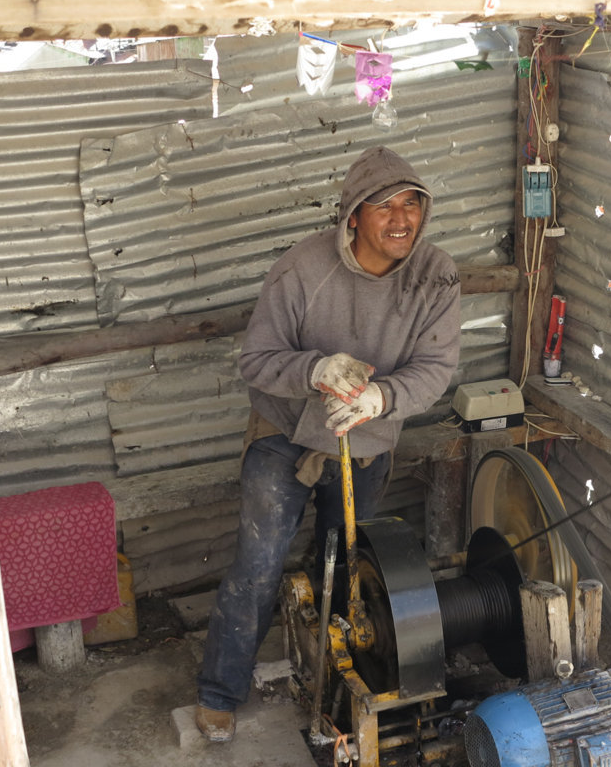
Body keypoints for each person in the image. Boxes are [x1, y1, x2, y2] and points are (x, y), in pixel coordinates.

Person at [195, 145, 461, 741]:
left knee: (347, 567)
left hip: (367, 439)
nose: (401, 218)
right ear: (353, 215)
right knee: (259, 564)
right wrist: (315, 369)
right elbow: (256, 361)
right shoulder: (302, 269)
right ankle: (219, 692)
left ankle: (333, 687)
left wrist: (382, 398)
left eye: (412, 204)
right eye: (384, 206)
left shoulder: (436, 273)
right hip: (286, 432)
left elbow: (436, 367)